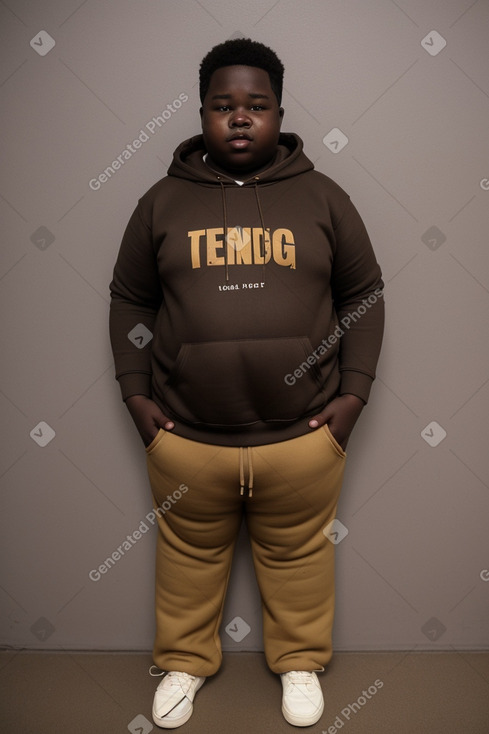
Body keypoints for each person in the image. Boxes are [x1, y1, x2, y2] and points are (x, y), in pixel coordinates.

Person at [109, 38, 384, 729]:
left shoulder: (323, 196)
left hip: (301, 436)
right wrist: (135, 395)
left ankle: (298, 663)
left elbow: (365, 294)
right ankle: (183, 662)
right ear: (200, 112)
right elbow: (128, 300)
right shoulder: (160, 202)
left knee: (298, 559)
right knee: (185, 561)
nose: (239, 118)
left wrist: (352, 397)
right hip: (185, 437)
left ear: (279, 113)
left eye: (255, 106)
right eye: (222, 106)